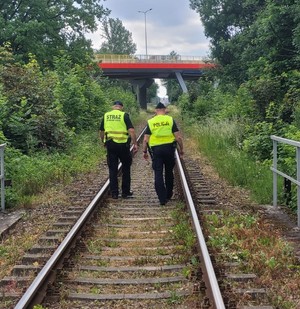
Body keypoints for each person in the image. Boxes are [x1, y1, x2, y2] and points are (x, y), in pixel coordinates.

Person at [142, 102, 184, 205]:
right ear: (165, 110)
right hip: (169, 149)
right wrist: (181, 149)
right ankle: (168, 194)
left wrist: (144, 151)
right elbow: (178, 137)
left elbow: (146, 139)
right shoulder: (169, 119)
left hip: (156, 151)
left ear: (156, 111)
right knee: (169, 172)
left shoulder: (151, 121)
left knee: (158, 173)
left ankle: (162, 199)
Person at [99, 101, 138, 199]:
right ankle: (125, 192)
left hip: (110, 144)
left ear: (113, 107)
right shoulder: (124, 115)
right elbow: (131, 130)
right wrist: (135, 143)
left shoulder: (106, 115)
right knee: (126, 167)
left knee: (112, 169)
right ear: (121, 107)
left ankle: (114, 193)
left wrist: (103, 141)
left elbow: (101, 131)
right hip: (123, 145)